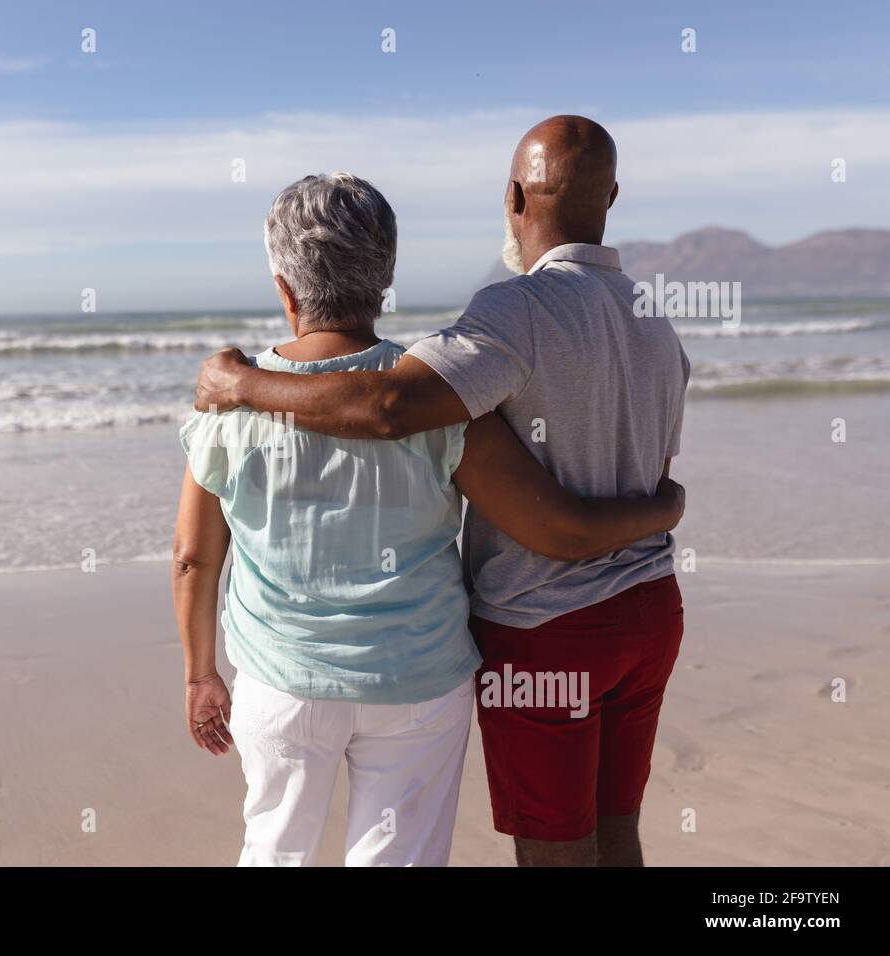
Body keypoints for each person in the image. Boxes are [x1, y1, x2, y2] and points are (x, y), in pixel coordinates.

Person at [174, 170, 685, 866]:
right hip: (418, 678)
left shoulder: (224, 409)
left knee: (273, 848)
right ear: (384, 281)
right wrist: (660, 507)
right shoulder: (444, 404)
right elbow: (548, 524)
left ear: (284, 289)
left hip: (281, 678)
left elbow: (193, 558)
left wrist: (201, 673)